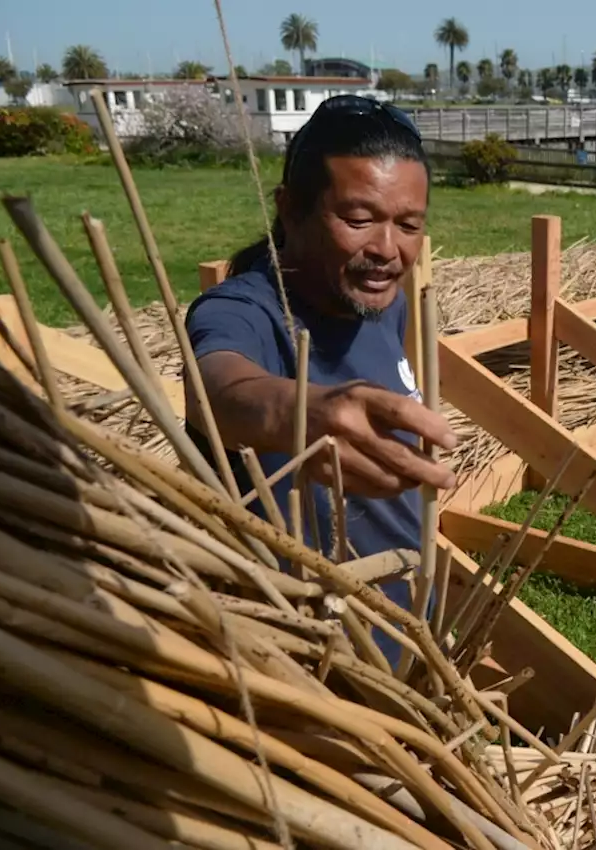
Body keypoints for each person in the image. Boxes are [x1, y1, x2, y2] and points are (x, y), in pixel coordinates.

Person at [184, 95, 457, 664]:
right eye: (358, 219)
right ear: (289, 209)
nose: (387, 249)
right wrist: (296, 413)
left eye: (408, 225)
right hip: (317, 651)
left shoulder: (387, 303)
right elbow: (219, 385)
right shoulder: (242, 311)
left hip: (406, 621)